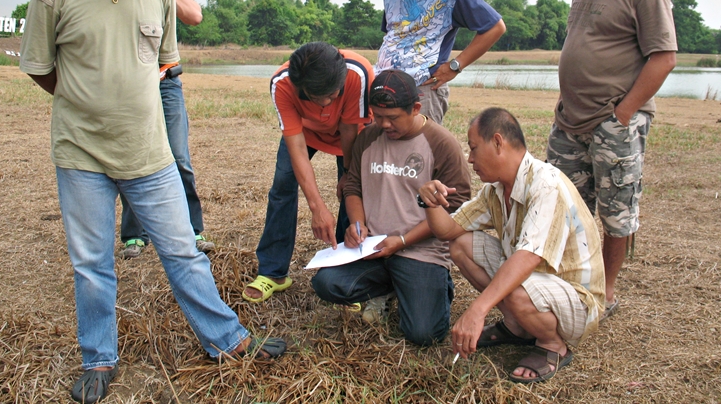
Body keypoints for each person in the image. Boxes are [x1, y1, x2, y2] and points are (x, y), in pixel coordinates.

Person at [19, 0, 285, 403]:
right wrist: (85, 102)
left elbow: (162, 63)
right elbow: (40, 67)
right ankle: (98, 359)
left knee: (184, 252)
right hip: (81, 154)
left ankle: (228, 340)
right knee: (92, 264)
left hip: (149, 153)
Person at [547, 0, 677, 320]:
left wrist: (623, 114)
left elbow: (664, 57)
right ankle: (572, 280)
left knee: (616, 211)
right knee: (565, 206)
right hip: (570, 120)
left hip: (613, 122)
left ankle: (606, 291)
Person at [418, 108, 604, 383]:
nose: (470, 159)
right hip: (537, 287)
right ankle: (519, 326)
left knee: (517, 286)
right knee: (461, 245)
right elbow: (448, 231)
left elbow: (527, 258)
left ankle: (553, 345)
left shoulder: (546, 184)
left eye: (473, 148)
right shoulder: (495, 191)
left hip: (578, 302)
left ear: (497, 142)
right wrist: (429, 203)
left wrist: (477, 310)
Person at [311, 70, 471, 344]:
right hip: (374, 249)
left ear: (416, 108)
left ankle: (434, 286)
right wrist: (357, 225)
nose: (384, 124)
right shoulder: (368, 138)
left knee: (424, 334)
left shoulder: (442, 144)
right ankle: (388, 289)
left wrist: (403, 240)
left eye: (393, 117)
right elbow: (353, 186)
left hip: (420, 251)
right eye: (378, 116)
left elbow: (458, 208)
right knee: (326, 284)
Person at [243, 42, 374, 303]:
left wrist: (348, 173)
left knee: (353, 192)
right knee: (282, 187)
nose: (326, 103)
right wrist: (317, 207)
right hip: (305, 134)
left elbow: (349, 129)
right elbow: (297, 149)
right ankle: (273, 272)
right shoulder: (282, 83)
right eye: (316, 97)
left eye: (332, 95)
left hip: (350, 135)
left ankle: (345, 275)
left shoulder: (357, 72)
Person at [375, 0, 506, 124]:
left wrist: (455, 66)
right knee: (380, 144)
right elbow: (393, 32)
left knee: (420, 144)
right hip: (384, 85)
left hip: (422, 88)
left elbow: (495, 27)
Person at [120, 0, 214, 258]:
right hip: (131, 81)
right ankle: (135, 235)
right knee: (134, 155)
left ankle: (192, 230)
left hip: (166, 80)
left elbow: (194, 16)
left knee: (178, 156)